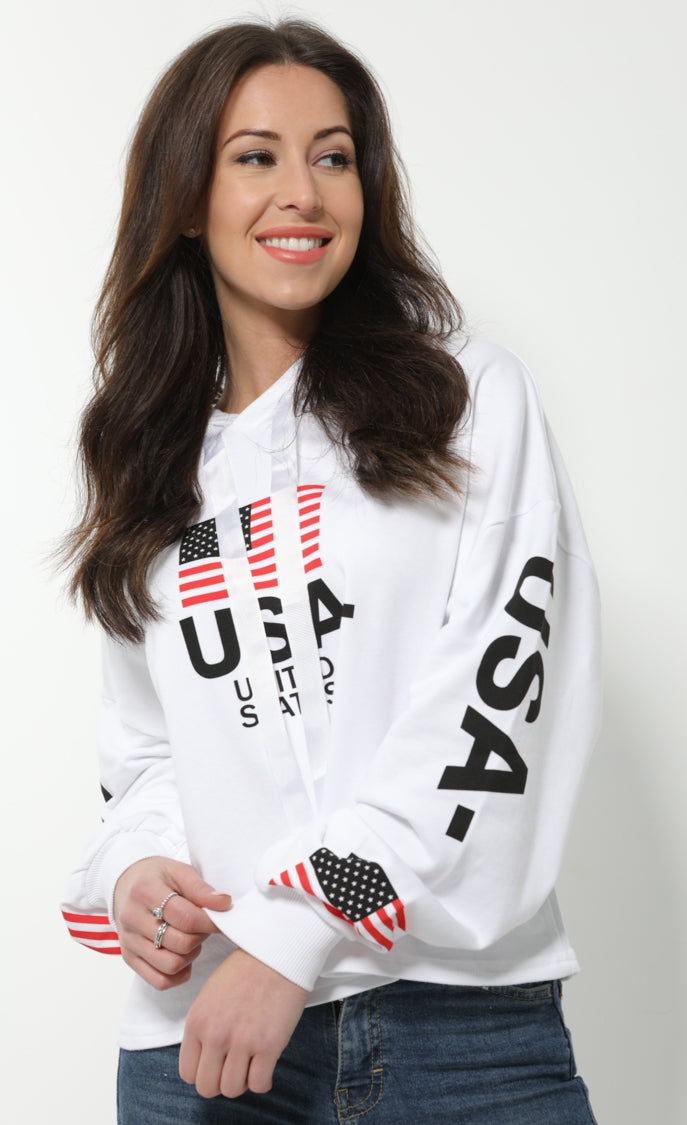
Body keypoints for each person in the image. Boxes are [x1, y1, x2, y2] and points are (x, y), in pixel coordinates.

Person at [60, 19, 601, 1124]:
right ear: (188, 196)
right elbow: (147, 754)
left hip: (462, 1039)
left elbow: (495, 708)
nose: (302, 193)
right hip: (205, 1050)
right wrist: (138, 873)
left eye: (335, 156)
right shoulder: (149, 457)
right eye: (256, 156)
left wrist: (293, 933)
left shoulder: (466, 402)